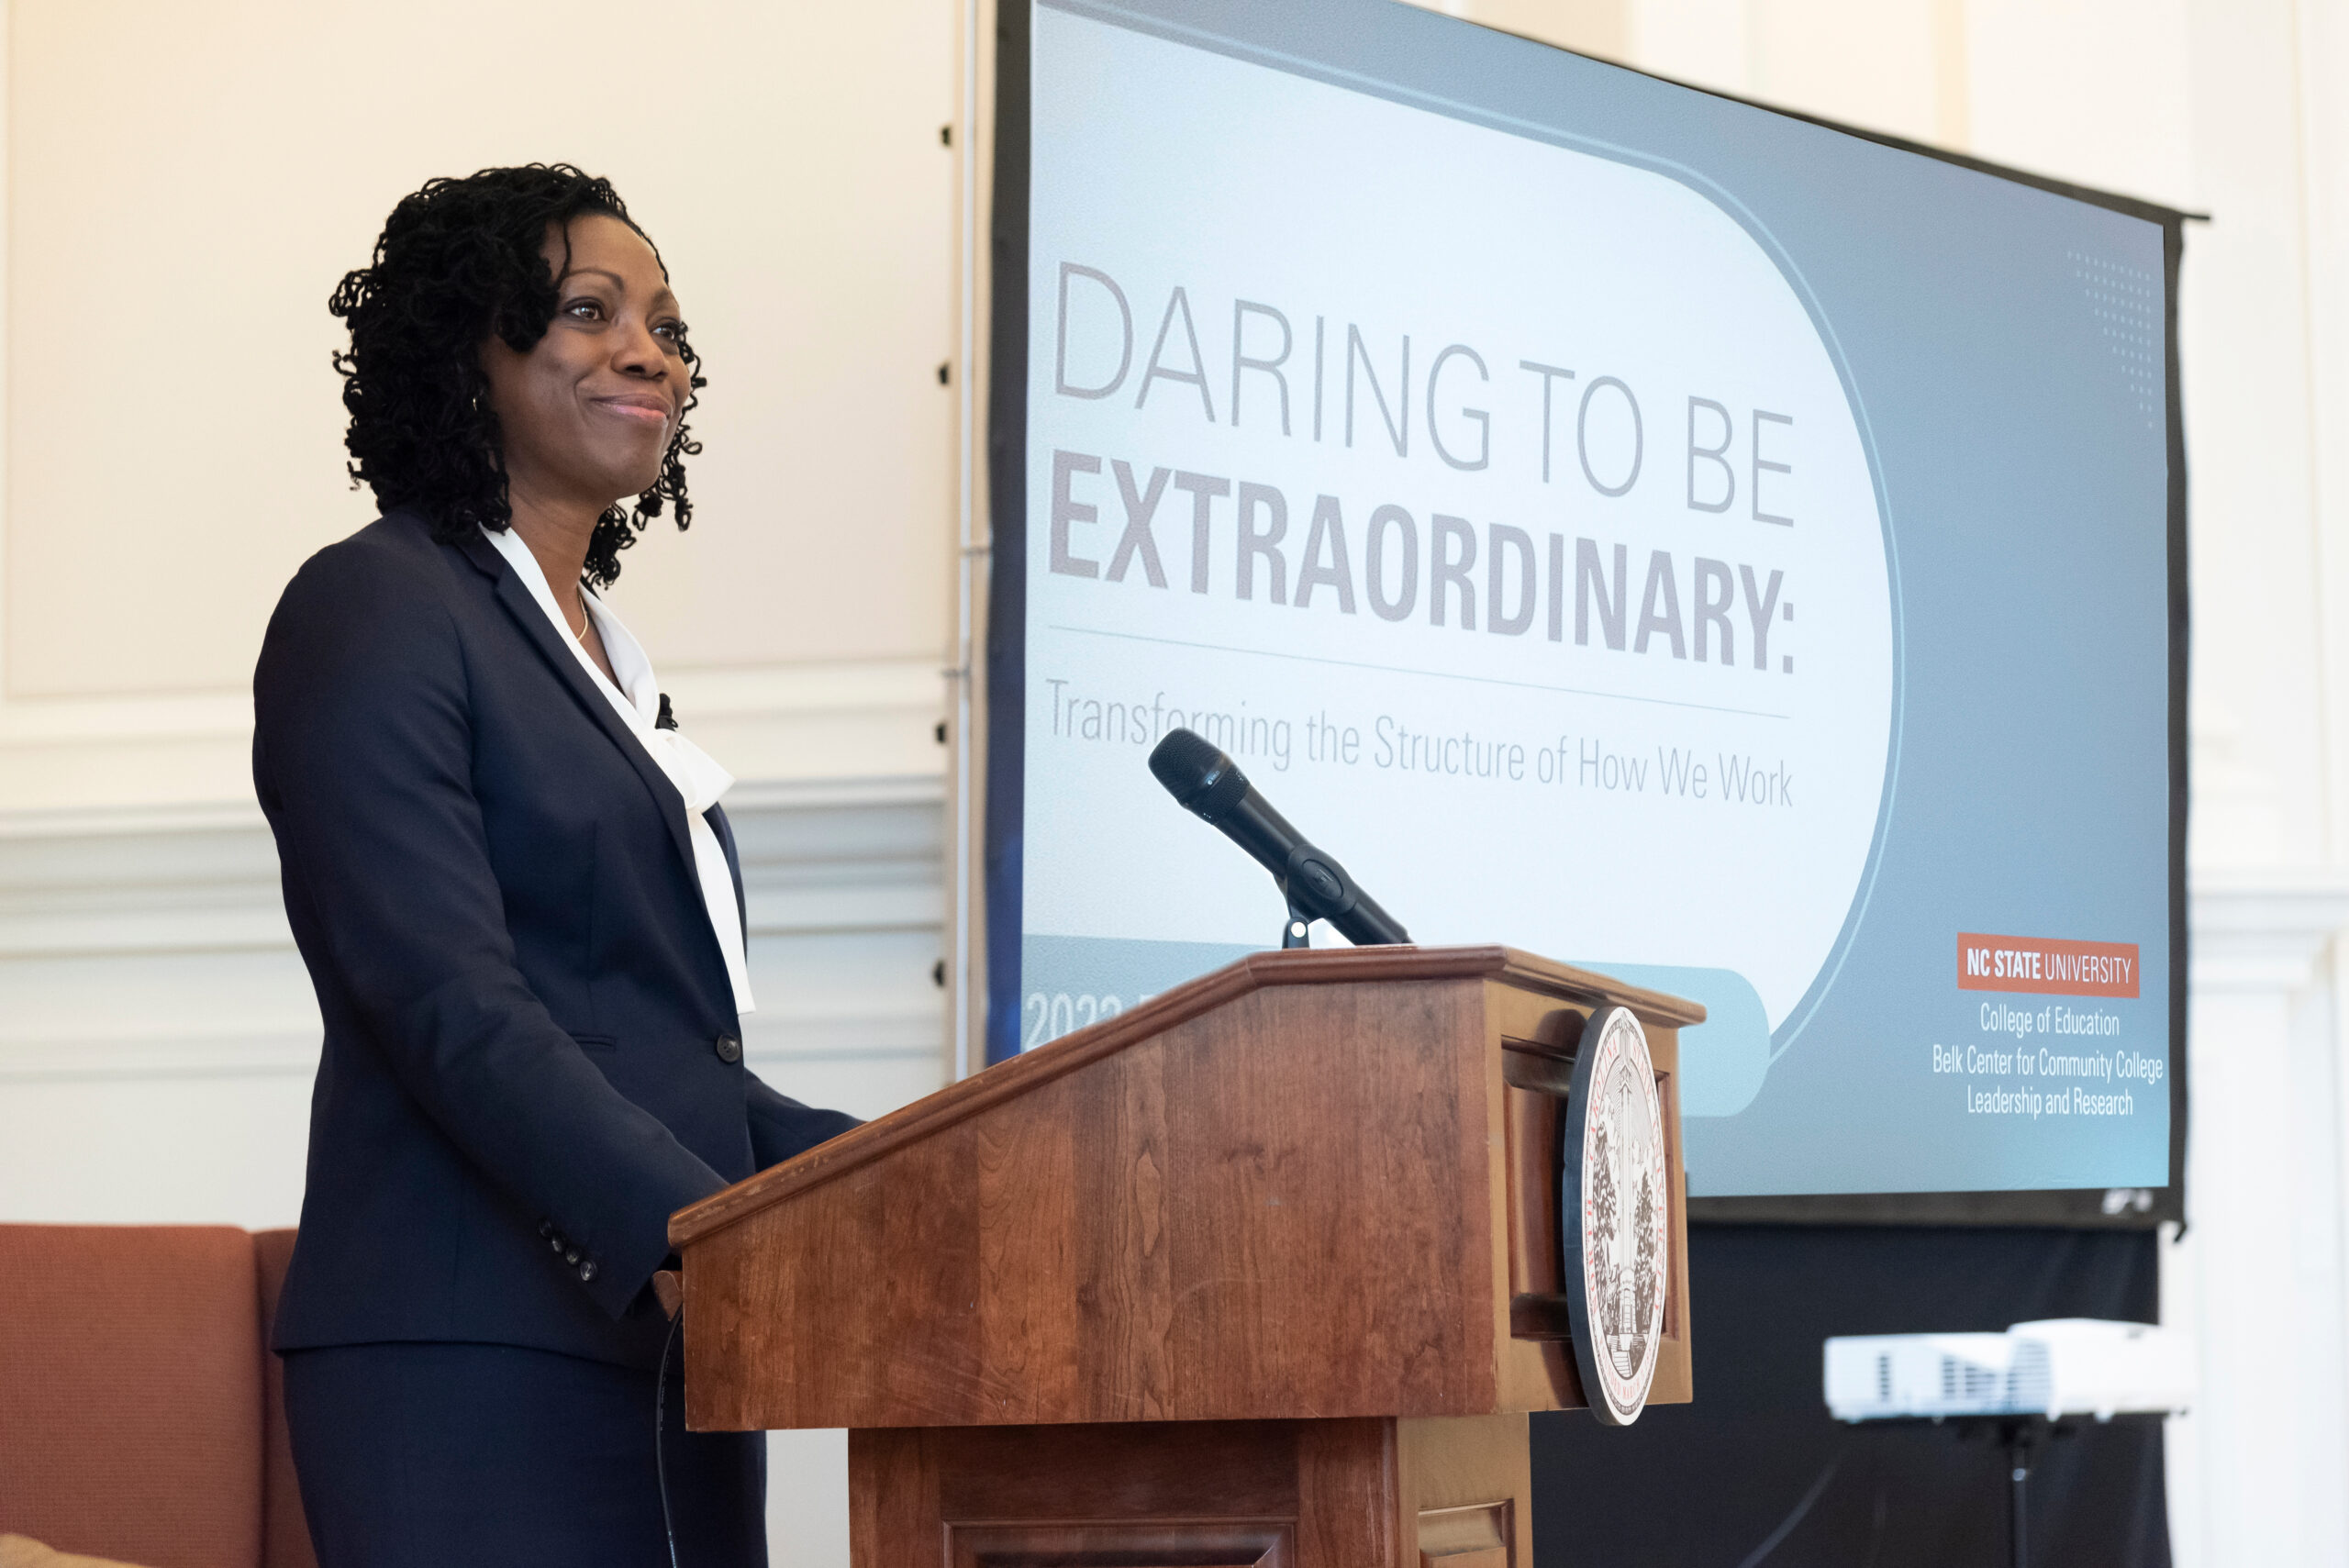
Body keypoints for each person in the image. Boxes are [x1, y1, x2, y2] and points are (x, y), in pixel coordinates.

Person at [252, 163, 857, 1567]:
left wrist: (925, 1176)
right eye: (590, 311)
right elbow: (444, 1001)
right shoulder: (380, 605)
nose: (649, 349)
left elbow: (662, 1051)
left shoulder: (608, 668)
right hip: (471, 1361)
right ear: (470, 347)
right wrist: (700, 1234)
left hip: (667, 1363)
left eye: (666, 323)